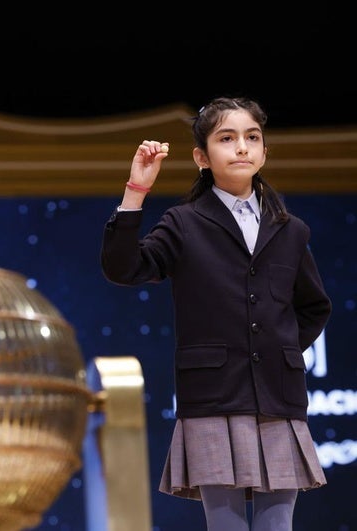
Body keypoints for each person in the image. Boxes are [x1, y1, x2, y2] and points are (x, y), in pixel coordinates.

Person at [99, 96, 331, 531]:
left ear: (263, 151)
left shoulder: (290, 228)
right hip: (212, 398)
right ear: (202, 158)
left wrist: (276, 351)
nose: (242, 147)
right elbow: (124, 268)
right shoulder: (184, 223)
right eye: (227, 138)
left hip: (277, 400)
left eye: (252, 137)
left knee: (276, 526)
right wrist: (136, 193)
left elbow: (314, 306)